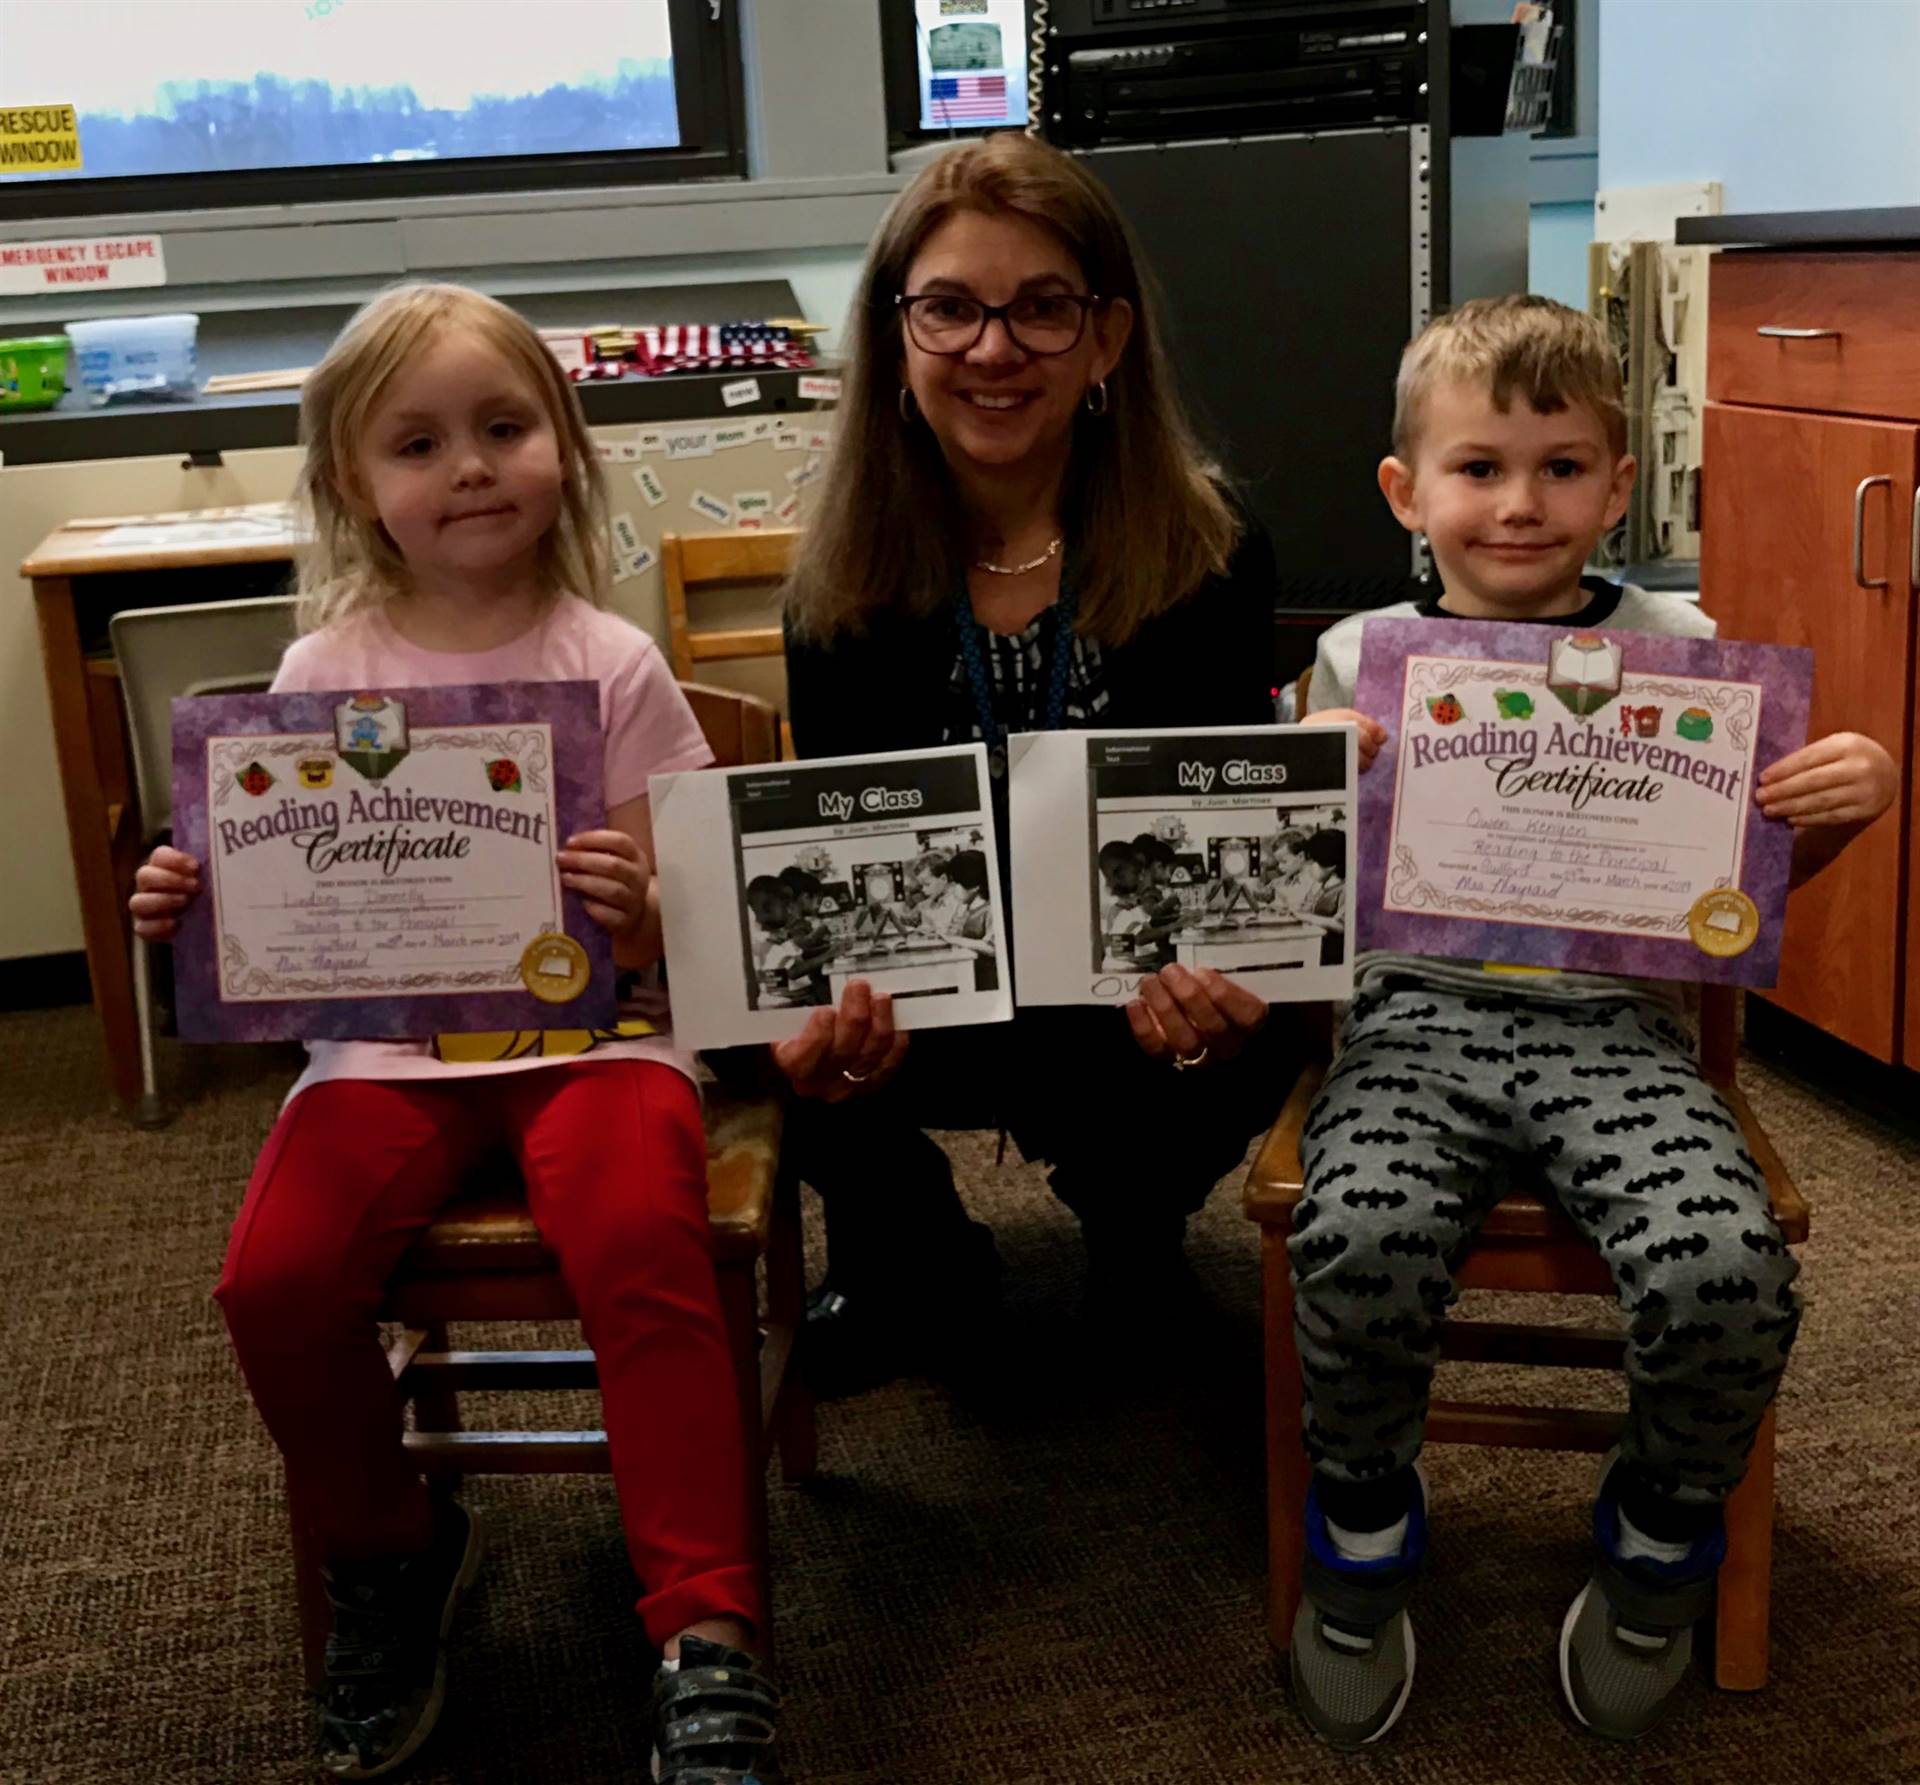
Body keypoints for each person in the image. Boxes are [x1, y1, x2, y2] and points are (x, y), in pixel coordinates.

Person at [127, 284, 784, 1784]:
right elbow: (277, 926)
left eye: (504, 427)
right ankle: (393, 1548)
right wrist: (191, 898)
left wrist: (637, 898)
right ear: (358, 487)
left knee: (640, 1241)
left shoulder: (610, 662)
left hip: (597, 1045)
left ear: (563, 445)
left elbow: (687, 926)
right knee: (273, 1281)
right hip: (383, 1058)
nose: (470, 465)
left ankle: (705, 1624)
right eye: (419, 444)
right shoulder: (315, 679)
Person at [1288, 295, 1897, 1747]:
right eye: (1479, 466)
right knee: (1358, 1240)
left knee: (1727, 1272)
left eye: (1562, 467)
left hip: (1620, 1033)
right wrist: (1301, 778)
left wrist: (1836, 804)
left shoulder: (1684, 646)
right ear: (1406, 491)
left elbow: (1726, 895)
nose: (1519, 503)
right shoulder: (1357, 655)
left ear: (1619, 484)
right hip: (1412, 1025)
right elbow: (1294, 891)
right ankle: (1363, 1519)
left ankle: (1658, 1539)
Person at [775, 132, 1368, 1392]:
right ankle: (906, 1243)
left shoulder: (1207, 546)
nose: (994, 349)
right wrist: (830, 997)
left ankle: (1135, 1233)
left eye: (1043, 309)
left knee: (1269, 1011)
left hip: (1120, 1000)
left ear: (1106, 339)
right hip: (929, 990)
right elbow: (832, 841)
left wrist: (1221, 972)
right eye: (949, 309)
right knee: (738, 1006)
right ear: (896, 335)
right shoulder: (836, 574)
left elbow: (1216, 832)